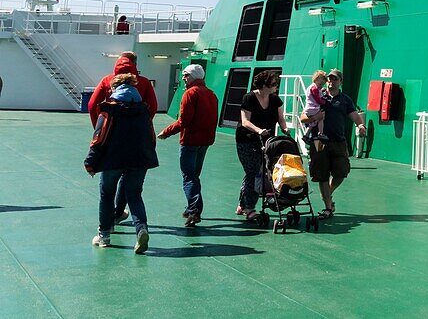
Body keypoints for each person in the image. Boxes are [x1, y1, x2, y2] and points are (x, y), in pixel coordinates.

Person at [85, 72, 159, 253]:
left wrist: (91, 161)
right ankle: (141, 229)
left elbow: (99, 137)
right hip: (139, 159)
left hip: (113, 160)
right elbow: (150, 136)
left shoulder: (110, 109)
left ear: (114, 88)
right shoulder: (143, 109)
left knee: (107, 194)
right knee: (134, 195)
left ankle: (104, 235)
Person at [157, 64, 219, 227]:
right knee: (194, 175)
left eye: (186, 75)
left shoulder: (190, 93)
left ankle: (194, 210)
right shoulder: (211, 94)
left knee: (189, 177)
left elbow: (184, 121)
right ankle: (191, 207)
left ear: (194, 77)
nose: (183, 78)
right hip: (205, 141)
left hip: (190, 141)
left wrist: (166, 132)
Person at [305, 69, 367, 219]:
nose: (331, 81)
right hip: (319, 141)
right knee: (322, 175)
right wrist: (317, 116)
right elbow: (303, 117)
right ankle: (327, 207)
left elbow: (354, 115)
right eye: (329, 79)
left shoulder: (345, 100)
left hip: (338, 141)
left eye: (335, 79)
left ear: (340, 82)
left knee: (341, 172)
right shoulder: (317, 94)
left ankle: (328, 194)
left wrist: (361, 125)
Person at [234, 69, 288, 221]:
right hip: (247, 140)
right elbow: (245, 121)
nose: (276, 86)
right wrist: (259, 130)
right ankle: (249, 208)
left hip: (266, 141)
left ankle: (242, 203)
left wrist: (285, 128)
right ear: (264, 85)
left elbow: (280, 118)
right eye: (273, 84)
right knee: (253, 172)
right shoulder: (249, 98)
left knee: (258, 172)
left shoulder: (275, 100)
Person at [299, 69, 328, 151]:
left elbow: (317, 93)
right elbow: (317, 99)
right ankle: (321, 133)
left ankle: (306, 135)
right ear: (315, 80)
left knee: (312, 122)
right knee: (321, 118)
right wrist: (323, 102)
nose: (321, 86)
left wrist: (321, 91)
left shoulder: (312, 87)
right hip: (313, 108)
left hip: (308, 108)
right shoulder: (314, 89)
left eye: (322, 85)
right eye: (320, 84)